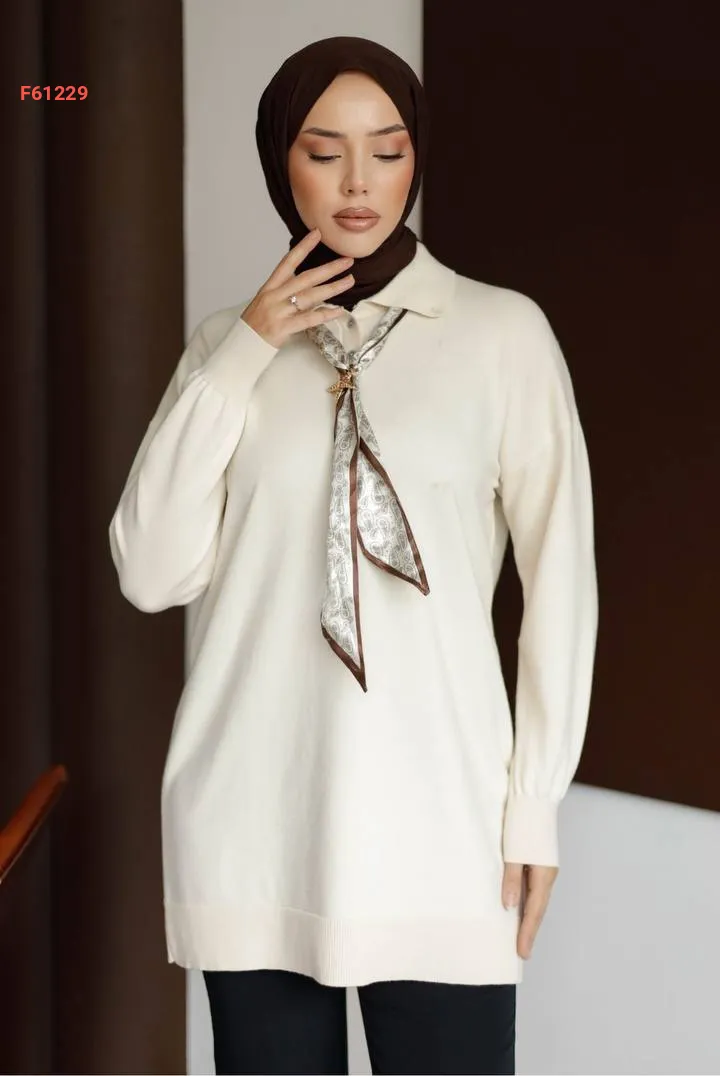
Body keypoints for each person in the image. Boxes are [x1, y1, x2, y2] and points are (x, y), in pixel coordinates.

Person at [109, 36, 598, 1076]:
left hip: (443, 827)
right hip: (251, 825)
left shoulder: (502, 334)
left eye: (388, 149)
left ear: (418, 156)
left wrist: (534, 804)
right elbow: (150, 571)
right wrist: (246, 350)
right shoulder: (225, 349)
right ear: (279, 162)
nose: (359, 182)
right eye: (324, 152)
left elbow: (562, 581)